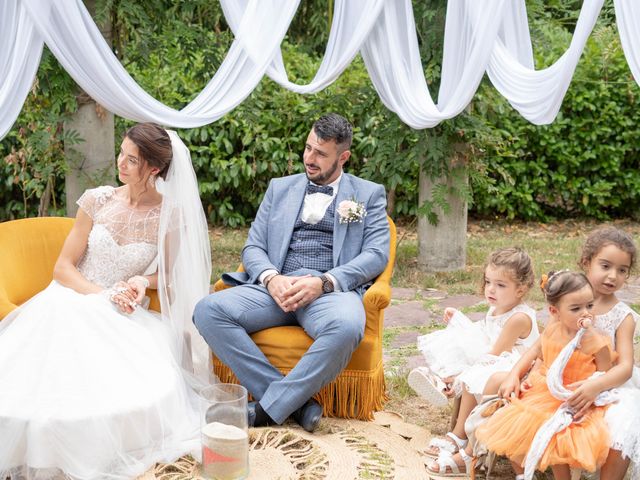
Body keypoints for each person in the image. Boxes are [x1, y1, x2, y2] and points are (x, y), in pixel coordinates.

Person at [0, 123, 212, 480]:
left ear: (154, 170)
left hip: (124, 313)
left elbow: (169, 275)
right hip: (69, 300)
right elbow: (62, 269)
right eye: (122, 154)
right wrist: (104, 295)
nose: (121, 164)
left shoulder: (170, 215)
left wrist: (141, 281)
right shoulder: (97, 199)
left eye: (132, 160)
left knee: (128, 387)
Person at [193, 113, 390, 433]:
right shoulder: (279, 188)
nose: (309, 158)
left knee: (348, 327)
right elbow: (253, 247)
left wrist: (324, 282)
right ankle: (297, 404)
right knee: (207, 311)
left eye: (320, 153)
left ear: (343, 157)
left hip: (329, 292)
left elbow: (376, 255)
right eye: (308, 148)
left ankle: (268, 409)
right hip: (276, 287)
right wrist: (271, 278)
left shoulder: (367, 194)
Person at [410, 247, 539, 474]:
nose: (491, 289)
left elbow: (496, 354)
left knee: (473, 375)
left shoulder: (519, 317)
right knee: (460, 343)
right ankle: (444, 382)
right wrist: (458, 320)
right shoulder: (497, 308)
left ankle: (459, 434)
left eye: (500, 285)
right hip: (498, 359)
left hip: (519, 370)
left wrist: (463, 375)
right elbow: (485, 333)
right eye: (488, 281)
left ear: (521, 289)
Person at [475, 271, 614, 480]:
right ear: (554, 311)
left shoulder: (595, 341)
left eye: (589, 306)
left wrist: (592, 389)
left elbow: (604, 374)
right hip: (542, 390)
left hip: (574, 396)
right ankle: (523, 474)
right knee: (514, 429)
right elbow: (533, 352)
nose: (585, 313)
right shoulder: (552, 330)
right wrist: (515, 374)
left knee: (556, 439)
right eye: (576, 308)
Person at [576, 227, 640, 480]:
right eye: (605, 266)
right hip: (570, 376)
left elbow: (625, 367)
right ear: (586, 262)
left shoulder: (622, 316)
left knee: (627, 417)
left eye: (622, 270)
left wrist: (596, 386)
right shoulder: (571, 300)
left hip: (610, 383)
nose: (613, 276)